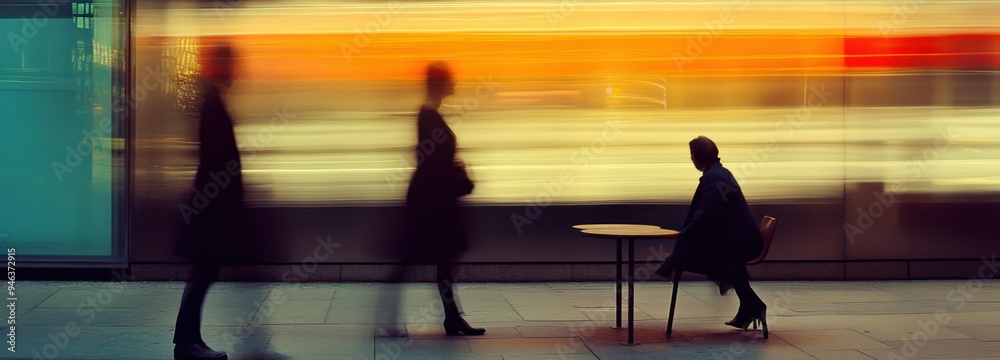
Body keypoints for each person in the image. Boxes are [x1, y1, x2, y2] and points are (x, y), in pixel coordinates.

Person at [383, 61, 484, 336]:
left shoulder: (430, 114)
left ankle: (451, 317)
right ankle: (395, 317)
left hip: (433, 198)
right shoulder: (428, 115)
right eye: (450, 79)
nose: (455, 83)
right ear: (440, 84)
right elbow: (430, 160)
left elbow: (430, 158)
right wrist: (457, 173)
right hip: (432, 202)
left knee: (438, 258)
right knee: (421, 259)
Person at [173, 43, 242, 360]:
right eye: (229, 64)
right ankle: (187, 344)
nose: (234, 71)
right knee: (203, 272)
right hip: (212, 208)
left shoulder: (212, 100)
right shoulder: (212, 103)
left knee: (203, 272)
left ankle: (190, 341)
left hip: (211, 206)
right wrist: (220, 205)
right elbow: (216, 161)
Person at [655, 136, 767, 329]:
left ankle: (753, 305)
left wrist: (678, 251)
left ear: (696, 157)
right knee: (726, 263)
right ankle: (751, 306)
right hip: (742, 241)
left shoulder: (714, 177)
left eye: (691, 155)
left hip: (740, 244)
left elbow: (703, 216)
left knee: (706, 261)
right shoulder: (720, 173)